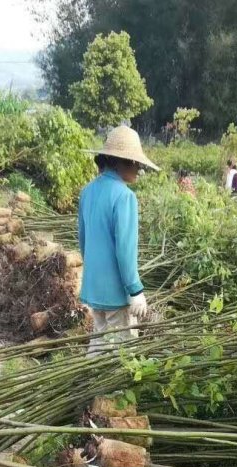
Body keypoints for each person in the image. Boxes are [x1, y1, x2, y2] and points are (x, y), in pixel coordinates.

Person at [78, 126, 159, 356]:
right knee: (122, 354)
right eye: (137, 163)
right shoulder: (125, 196)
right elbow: (125, 250)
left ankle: (88, 387)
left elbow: (83, 240)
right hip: (115, 292)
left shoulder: (87, 191)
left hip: (93, 287)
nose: (139, 169)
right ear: (122, 162)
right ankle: (107, 391)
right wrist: (135, 290)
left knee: (99, 342)